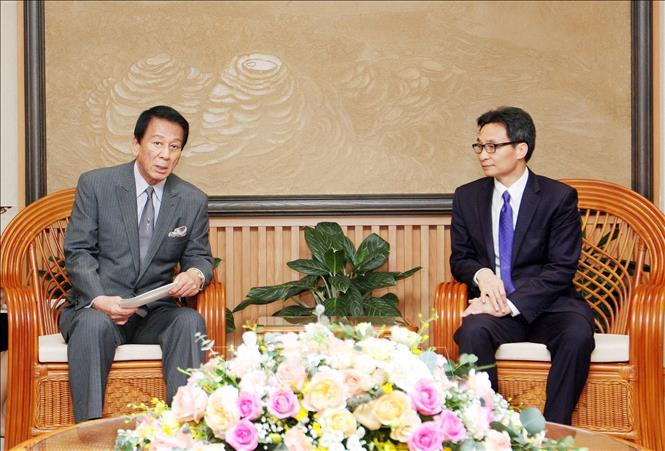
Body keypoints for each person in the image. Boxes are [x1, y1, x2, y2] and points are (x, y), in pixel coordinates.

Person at [60, 105, 214, 422]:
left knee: (189, 321)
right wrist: (99, 299)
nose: (165, 155)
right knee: (91, 325)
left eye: (174, 147)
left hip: (153, 313)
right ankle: (88, 434)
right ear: (136, 144)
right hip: (100, 308)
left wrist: (195, 274)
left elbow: (199, 256)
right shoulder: (96, 185)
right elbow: (78, 251)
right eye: (157, 143)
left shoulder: (192, 199)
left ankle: (184, 430)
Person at [450, 106, 594, 425]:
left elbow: (561, 268)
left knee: (577, 334)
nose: (483, 154)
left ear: (520, 149)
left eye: (492, 146)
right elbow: (460, 258)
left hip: (550, 306)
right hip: (494, 307)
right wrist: (483, 275)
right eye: (479, 146)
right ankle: (488, 428)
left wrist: (510, 304)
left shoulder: (558, 197)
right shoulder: (467, 197)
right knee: (472, 330)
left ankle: (554, 430)